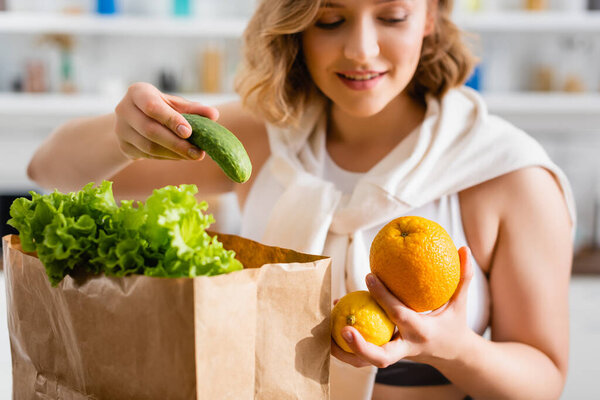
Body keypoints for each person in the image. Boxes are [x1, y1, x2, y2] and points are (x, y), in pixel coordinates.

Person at [27, 0, 575, 399]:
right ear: (295, 27)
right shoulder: (268, 138)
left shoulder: (505, 174)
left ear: (430, 16)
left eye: (392, 16)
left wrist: (456, 347)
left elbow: (544, 379)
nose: (361, 49)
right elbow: (50, 170)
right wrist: (120, 133)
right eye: (331, 20)